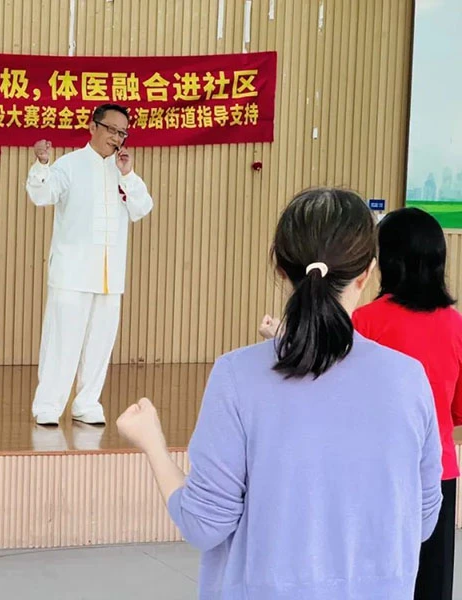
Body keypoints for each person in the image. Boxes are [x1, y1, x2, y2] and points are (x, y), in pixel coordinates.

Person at [117, 188, 443, 599]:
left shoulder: (237, 376)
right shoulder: (408, 379)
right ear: (367, 272)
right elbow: (423, 520)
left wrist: (153, 443)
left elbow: (204, 524)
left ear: (280, 267)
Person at [352, 207, 462, 600]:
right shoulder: (457, 325)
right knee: (433, 584)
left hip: (374, 472)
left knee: (374, 580)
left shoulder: (362, 322)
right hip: (439, 473)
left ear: (385, 260)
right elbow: (459, 410)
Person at [26, 103, 153, 426]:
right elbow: (42, 195)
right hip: (72, 273)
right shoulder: (69, 165)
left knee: (100, 344)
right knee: (61, 343)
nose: (117, 138)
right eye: (111, 130)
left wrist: (128, 174)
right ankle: (48, 405)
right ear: (93, 126)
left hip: (111, 277)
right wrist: (42, 164)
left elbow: (142, 208)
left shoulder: (122, 170)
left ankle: (87, 403)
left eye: (122, 133)